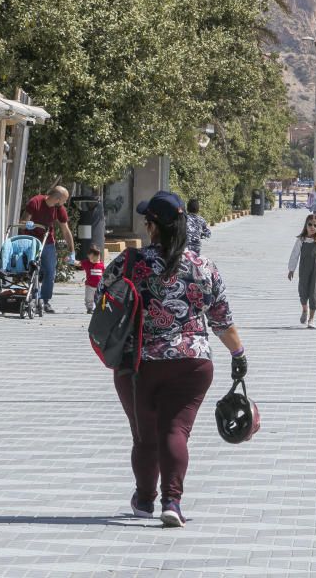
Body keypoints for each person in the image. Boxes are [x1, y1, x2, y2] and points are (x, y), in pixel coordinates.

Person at [97, 191, 249, 527]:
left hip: (138, 364)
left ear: (152, 227)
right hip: (192, 362)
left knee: (144, 435)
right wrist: (238, 355)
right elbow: (222, 319)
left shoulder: (130, 263)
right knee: (175, 430)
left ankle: (144, 499)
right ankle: (172, 502)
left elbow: (101, 299)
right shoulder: (203, 266)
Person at [21, 186, 76, 314]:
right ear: (57, 199)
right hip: (31, 241)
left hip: (47, 242)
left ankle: (44, 301)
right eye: (64, 200)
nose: (65, 203)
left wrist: (72, 251)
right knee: (31, 269)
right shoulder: (35, 202)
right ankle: (30, 296)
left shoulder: (59, 209)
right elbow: (23, 221)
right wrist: (27, 224)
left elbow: (65, 230)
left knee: (50, 272)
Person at [288, 214, 316, 329]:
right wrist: (291, 269)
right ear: (306, 225)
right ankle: (305, 309)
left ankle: (311, 319)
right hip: (304, 270)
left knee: (314, 292)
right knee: (303, 290)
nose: (312, 227)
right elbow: (294, 255)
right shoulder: (301, 240)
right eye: (310, 224)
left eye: (315, 225)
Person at [79, 245, 104, 314]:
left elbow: (104, 274)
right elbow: (78, 263)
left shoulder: (101, 265)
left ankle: (99, 308)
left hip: (99, 286)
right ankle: (90, 308)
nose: (94, 260)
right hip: (89, 285)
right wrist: (70, 260)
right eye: (92, 258)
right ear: (88, 256)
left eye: (97, 258)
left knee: (99, 298)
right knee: (89, 298)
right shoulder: (87, 263)